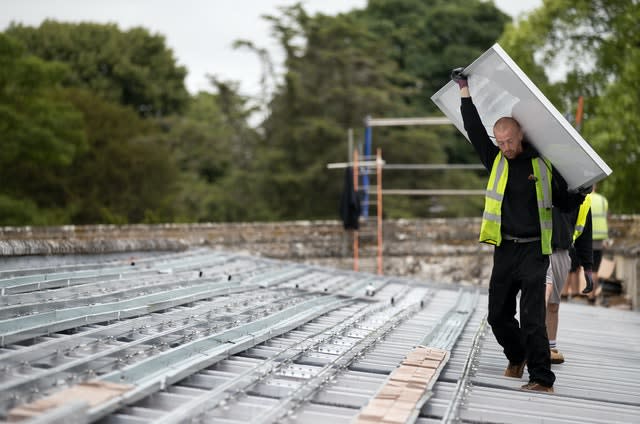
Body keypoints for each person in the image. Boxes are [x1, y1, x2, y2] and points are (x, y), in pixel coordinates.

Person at [451, 68, 585, 393]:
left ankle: (542, 378)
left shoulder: (542, 163)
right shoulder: (495, 159)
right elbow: (473, 128)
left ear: (520, 135)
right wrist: (464, 89)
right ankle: (517, 355)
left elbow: (565, 203)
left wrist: (580, 192)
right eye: (500, 141)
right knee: (497, 315)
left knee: (533, 318)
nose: (505, 146)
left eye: (509, 140)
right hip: (505, 248)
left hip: (535, 250)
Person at [546, 195, 593, 364]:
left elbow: (585, 233)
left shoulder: (582, 196)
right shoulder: (544, 178)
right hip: (535, 249)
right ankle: (533, 345)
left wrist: (587, 267)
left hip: (560, 252)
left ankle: (550, 348)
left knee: (553, 304)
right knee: (537, 299)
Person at [590, 185, 610, 301]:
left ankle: (587, 293)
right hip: (599, 239)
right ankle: (592, 296)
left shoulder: (586, 198)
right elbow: (606, 218)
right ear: (596, 187)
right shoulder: (603, 200)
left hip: (586, 239)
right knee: (595, 269)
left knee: (586, 267)